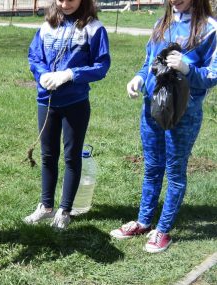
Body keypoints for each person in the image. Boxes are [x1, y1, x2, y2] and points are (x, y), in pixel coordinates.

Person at [110, 0, 217, 253]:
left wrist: (187, 68)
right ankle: (144, 221)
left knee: (175, 171)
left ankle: (163, 229)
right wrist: (137, 78)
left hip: (183, 113)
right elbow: (148, 61)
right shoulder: (162, 24)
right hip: (152, 108)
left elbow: (213, 75)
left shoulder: (209, 29)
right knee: (152, 166)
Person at [24, 0, 110, 230]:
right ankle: (46, 206)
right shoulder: (47, 25)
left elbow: (101, 66)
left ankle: (64, 209)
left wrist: (71, 74)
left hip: (75, 102)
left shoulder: (93, 28)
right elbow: (35, 56)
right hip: (47, 101)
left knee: (72, 156)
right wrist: (42, 75)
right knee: (48, 154)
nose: (65, 4)